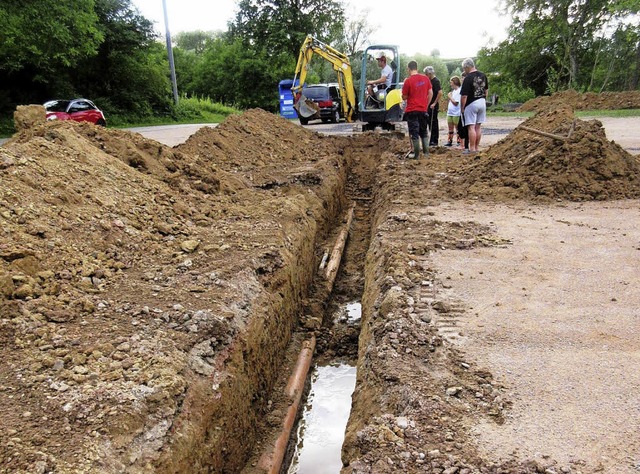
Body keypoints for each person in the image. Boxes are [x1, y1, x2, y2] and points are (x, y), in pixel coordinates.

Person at [401, 60, 433, 159]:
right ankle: (426, 154)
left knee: (414, 132)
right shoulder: (425, 78)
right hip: (423, 109)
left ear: (408, 69)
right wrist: (426, 105)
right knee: (423, 131)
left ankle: (416, 155)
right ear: (417, 67)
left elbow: (404, 97)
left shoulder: (408, 81)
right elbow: (430, 92)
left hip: (412, 110)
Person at [459, 58, 488, 154]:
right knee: (478, 126)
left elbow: (464, 95)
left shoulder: (468, 78)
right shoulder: (483, 75)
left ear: (467, 67)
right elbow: (486, 91)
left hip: (471, 103)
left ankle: (472, 149)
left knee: (471, 127)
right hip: (482, 101)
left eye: (464, 68)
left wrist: (462, 107)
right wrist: (483, 99)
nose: (464, 70)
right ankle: (476, 147)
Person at [424, 66, 442, 146]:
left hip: (433, 105)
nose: (426, 75)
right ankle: (431, 139)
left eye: (426, 74)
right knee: (429, 122)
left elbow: (440, 92)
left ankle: (434, 140)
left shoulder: (436, 81)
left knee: (433, 122)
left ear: (430, 73)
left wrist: (434, 103)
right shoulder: (429, 81)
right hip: (429, 104)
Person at [445, 76, 462, 146]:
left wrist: (450, 97)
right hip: (450, 112)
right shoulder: (454, 91)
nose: (450, 84)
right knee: (450, 128)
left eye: (451, 83)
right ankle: (450, 141)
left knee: (457, 128)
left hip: (456, 113)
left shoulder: (459, 91)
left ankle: (459, 141)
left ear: (455, 82)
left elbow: (456, 103)